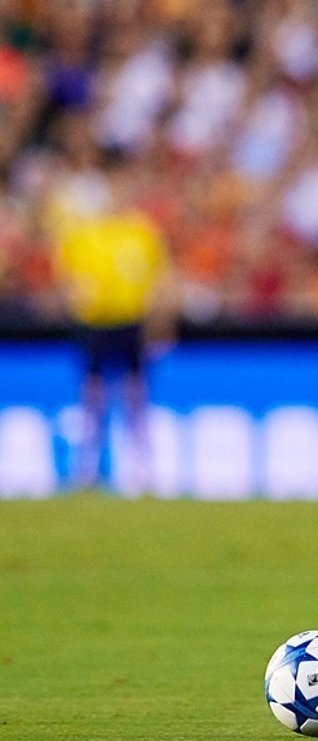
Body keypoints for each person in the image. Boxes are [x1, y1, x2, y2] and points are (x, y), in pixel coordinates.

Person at [53, 155, 174, 493]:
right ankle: (86, 468)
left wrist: (160, 321)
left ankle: (143, 469)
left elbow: (160, 279)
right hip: (95, 323)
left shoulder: (142, 232)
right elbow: (66, 279)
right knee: (93, 397)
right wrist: (73, 298)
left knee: (135, 396)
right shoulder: (85, 235)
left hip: (131, 321)